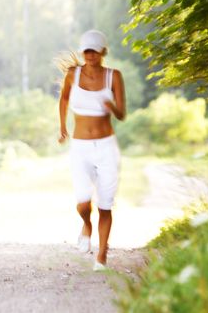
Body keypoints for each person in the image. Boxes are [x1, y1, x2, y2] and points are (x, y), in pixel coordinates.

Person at [57, 30, 126, 271]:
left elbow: (122, 114)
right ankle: (86, 225)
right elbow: (64, 99)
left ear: (103, 52)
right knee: (83, 202)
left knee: (105, 204)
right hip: (80, 147)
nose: (91, 55)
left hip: (106, 147)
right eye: (87, 51)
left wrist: (112, 107)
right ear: (82, 52)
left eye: (95, 51)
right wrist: (63, 127)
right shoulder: (72, 75)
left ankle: (102, 254)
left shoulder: (113, 77)